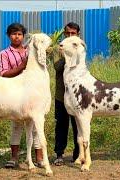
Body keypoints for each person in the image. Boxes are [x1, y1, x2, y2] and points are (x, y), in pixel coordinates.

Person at [0, 23, 44, 168]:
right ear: (8, 36)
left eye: (19, 34)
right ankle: (14, 158)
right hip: (15, 93)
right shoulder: (4, 53)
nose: (16, 37)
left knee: (37, 125)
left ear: (23, 36)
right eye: (13, 34)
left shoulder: (30, 51)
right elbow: (4, 74)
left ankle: (40, 158)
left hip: (33, 93)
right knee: (17, 125)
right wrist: (22, 66)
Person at [53, 22, 80, 166]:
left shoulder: (80, 47)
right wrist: (66, 56)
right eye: (68, 33)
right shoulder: (59, 49)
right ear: (64, 34)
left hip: (77, 96)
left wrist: (75, 52)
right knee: (61, 125)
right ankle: (59, 154)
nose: (70, 36)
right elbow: (57, 67)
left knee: (78, 125)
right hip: (61, 95)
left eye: (73, 33)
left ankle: (78, 154)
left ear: (78, 35)